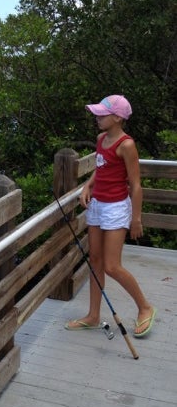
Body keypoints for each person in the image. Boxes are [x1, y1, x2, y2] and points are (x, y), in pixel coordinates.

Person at [65, 95, 156, 338]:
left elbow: (136, 185)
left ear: (117, 118)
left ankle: (145, 307)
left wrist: (136, 219)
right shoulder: (100, 139)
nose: (97, 117)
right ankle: (93, 316)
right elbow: (101, 166)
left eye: (101, 114)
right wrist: (87, 186)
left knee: (112, 266)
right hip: (97, 205)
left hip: (116, 208)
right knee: (95, 261)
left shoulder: (126, 145)